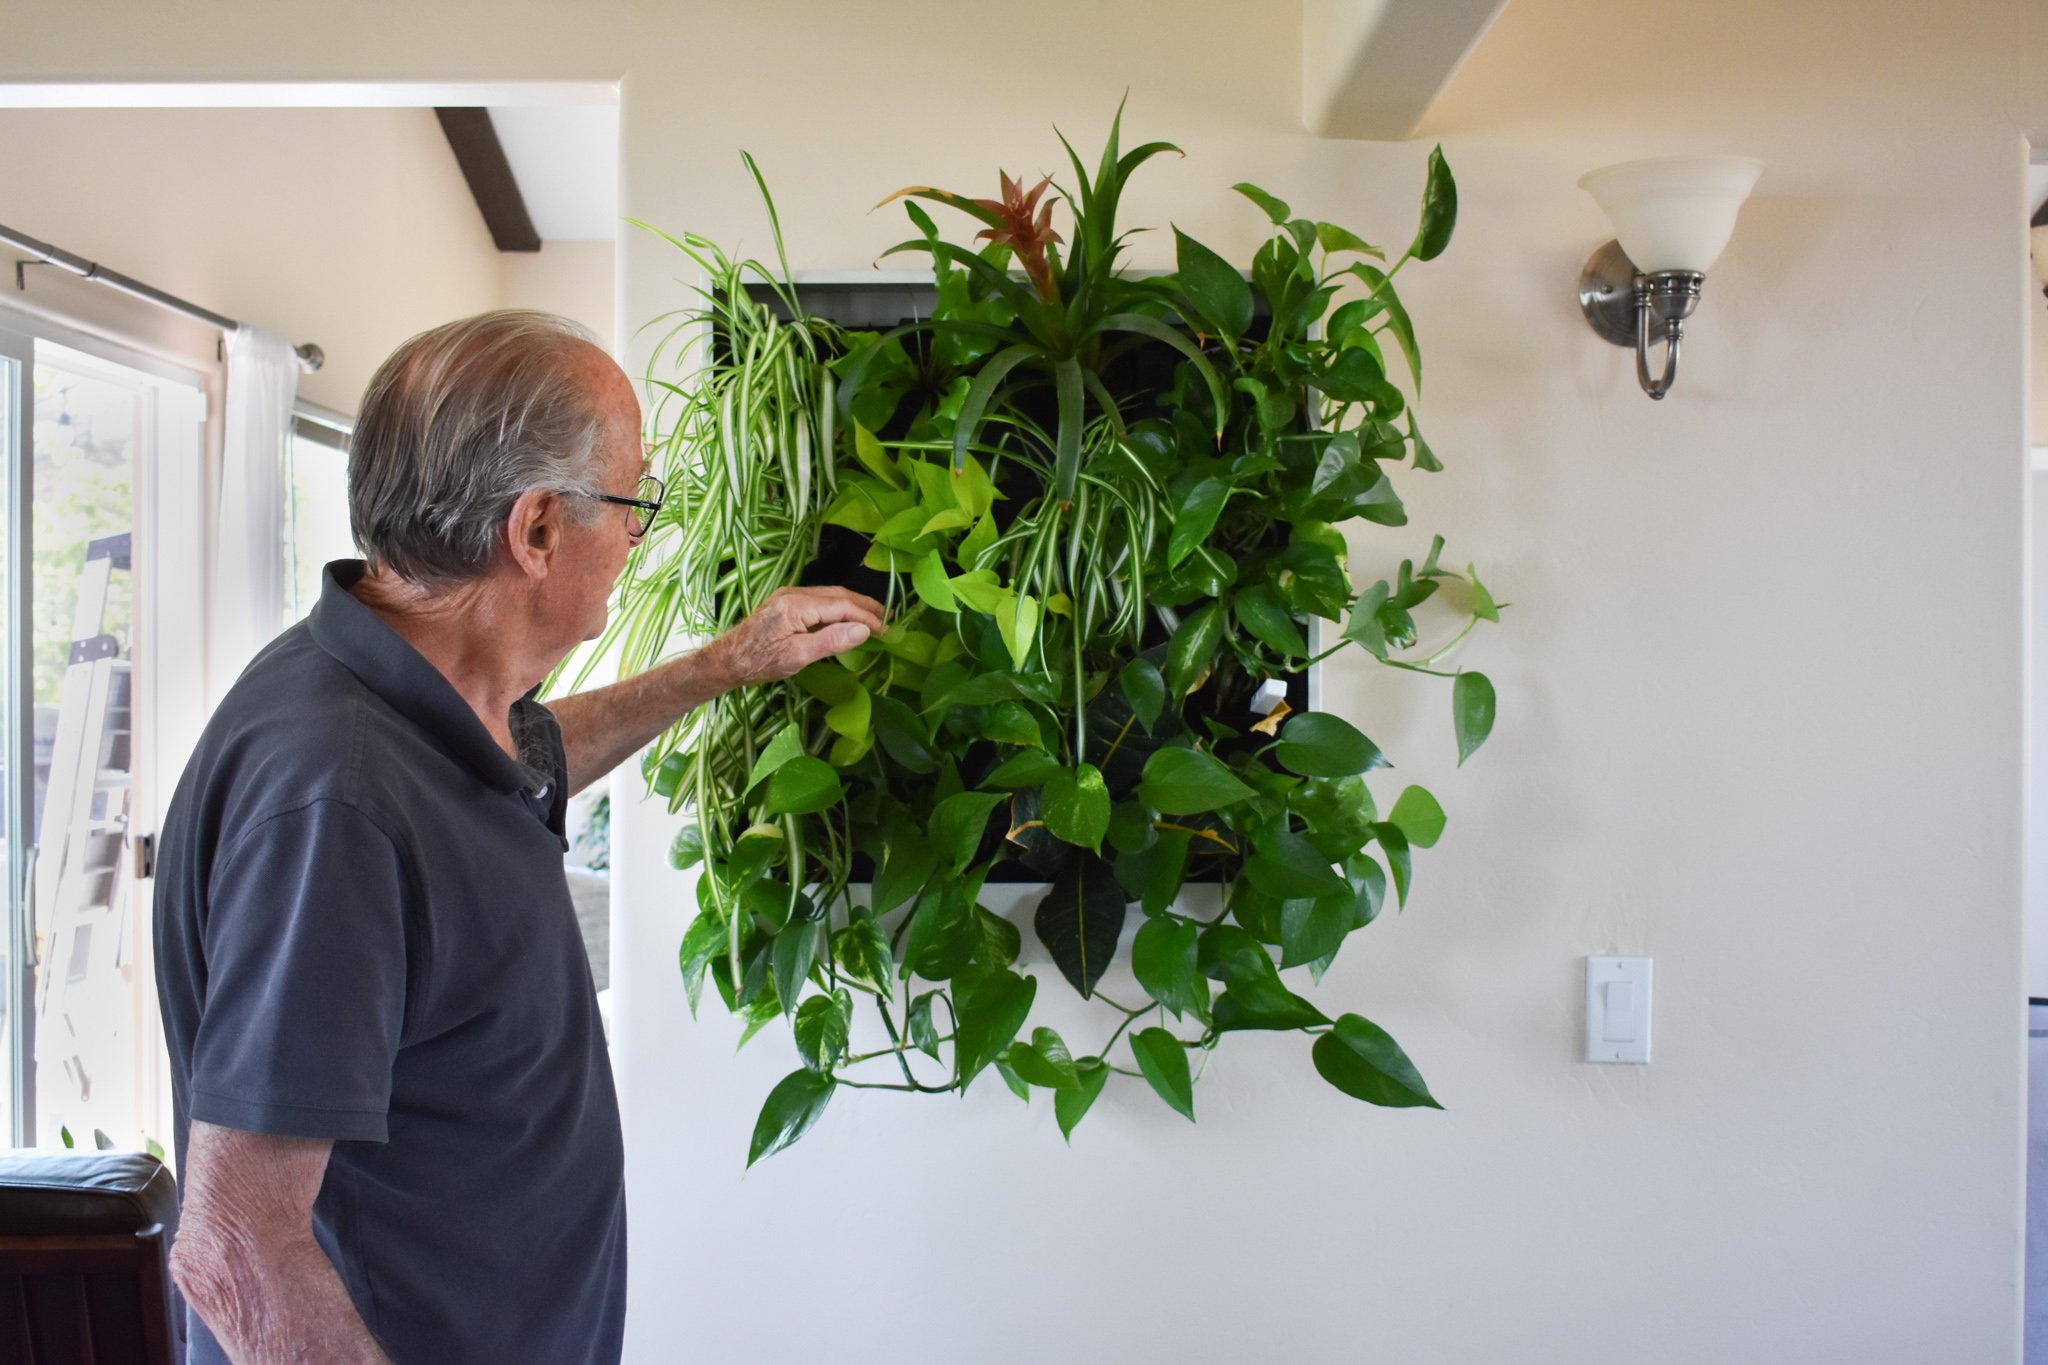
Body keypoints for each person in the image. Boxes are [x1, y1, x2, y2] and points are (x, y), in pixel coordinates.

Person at [153, 310, 883, 1364]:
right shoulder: (336, 802)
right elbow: (233, 1252)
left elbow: (515, 766)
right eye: (634, 504)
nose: (640, 537)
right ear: (536, 530)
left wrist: (725, 664)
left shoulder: (410, 701)